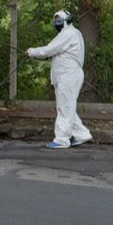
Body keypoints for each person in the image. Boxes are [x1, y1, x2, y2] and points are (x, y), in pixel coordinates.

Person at [25, 10, 93, 149]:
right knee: (68, 106)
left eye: (60, 21)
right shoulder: (70, 34)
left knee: (65, 107)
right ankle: (81, 134)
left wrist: (31, 52)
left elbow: (49, 49)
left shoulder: (68, 33)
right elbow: (56, 52)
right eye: (55, 21)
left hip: (68, 75)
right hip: (66, 75)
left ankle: (62, 139)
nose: (57, 23)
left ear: (67, 21)